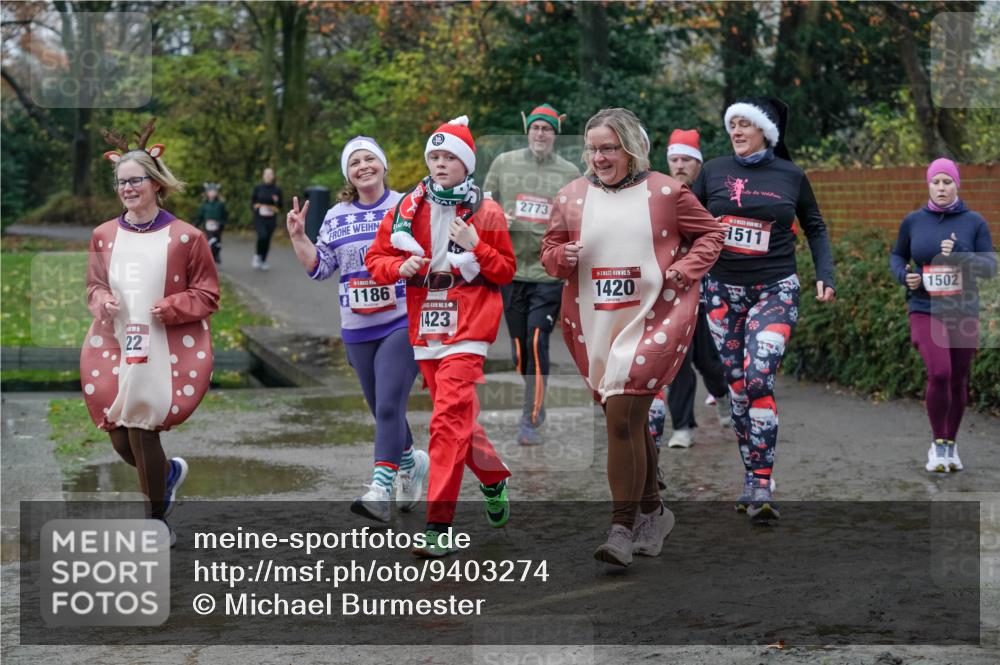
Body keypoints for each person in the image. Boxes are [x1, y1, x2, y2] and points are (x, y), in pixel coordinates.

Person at [541, 108, 725, 566]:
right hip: (595, 324)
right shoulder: (571, 196)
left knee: (621, 415)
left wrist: (683, 271)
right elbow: (548, 254)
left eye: (608, 148)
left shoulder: (666, 191)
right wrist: (564, 254)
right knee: (630, 418)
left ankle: (621, 527)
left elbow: (711, 235)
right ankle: (654, 512)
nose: (599, 157)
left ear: (630, 148)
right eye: (592, 148)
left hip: (655, 319)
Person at [366, 116, 515, 558]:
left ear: (467, 163)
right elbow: (378, 257)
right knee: (457, 421)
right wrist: (399, 267)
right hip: (425, 323)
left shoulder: (486, 212)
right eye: (435, 156)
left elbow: (505, 271)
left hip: (469, 324)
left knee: (446, 421)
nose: (441, 163)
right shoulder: (406, 209)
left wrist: (478, 244)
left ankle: (439, 526)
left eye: (450, 156)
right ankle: (493, 476)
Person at [692, 96, 836, 523]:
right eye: (731, 124)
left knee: (758, 378)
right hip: (721, 292)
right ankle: (753, 474)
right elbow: (683, 219)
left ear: (766, 132)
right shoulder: (713, 171)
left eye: (744, 124)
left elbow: (815, 225)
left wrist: (824, 272)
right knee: (737, 390)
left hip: (775, 289)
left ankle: (760, 478)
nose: (735, 131)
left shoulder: (790, 175)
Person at [83, 119, 219, 545]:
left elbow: (208, 294)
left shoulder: (186, 237)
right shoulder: (104, 235)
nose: (127, 189)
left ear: (156, 183)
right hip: (117, 344)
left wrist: (174, 306)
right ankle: (169, 475)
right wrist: (101, 299)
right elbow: (93, 284)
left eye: (135, 180)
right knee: (121, 438)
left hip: (163, 347)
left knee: (143, 429)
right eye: (121, 183)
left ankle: (156, 521)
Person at [285, 136, 427, 522]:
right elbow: (320, 268)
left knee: (387, 405)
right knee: (384, 410)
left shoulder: (406, 206)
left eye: (370, 159)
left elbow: (430, 255)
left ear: (383, 164)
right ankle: (411, 464)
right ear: (347, 173)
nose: (363, 166)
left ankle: (380, 488)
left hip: (401, 319)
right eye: (355, 163)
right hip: (357, 327)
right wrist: (299, 238)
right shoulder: (336, 215)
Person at [889, 158, 996, 472]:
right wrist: (902, 275)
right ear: (928, 184)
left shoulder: (974, 222)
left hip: (963, 310)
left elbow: (990, 267)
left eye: (947, 182)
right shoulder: (913, 222)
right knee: (940, 373)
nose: (941, 188)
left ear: (957, 185)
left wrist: (961, 252)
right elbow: (897, 254)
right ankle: (938, 445)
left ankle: (951, 445)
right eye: (936, 182)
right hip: (925, 308)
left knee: (960, 379)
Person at [482, 103, 581, 445]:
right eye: (536, 128)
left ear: (555, 134)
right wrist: (496, 218)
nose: (540, 134)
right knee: (519, 352)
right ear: (528, 131)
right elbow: (484, 204)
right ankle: (534, 397)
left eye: (547, 129)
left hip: (547, 274)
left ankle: (532, 418)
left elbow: (579, 218)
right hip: (510, 271)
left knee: (538, 344)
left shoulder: (569, 173)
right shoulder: (504, 164)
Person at [648, 129, 732, 450]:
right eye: (675, 159)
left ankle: (722, 395)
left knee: (708, 359)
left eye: (686, 159)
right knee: (678, 358)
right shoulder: (662, 192)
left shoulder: (713, 191)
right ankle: (683, 426)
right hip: (674, 288)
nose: (680, 165)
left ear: (698, 163)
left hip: (710, 286)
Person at [251, 167, 283, 271]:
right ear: (263, 176)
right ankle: (257, 256)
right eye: (266, 174)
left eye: (270, 174)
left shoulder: (277, 190)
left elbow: (280, 206)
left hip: (271, 219)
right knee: (262, 236)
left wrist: (276, 202)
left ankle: (263, 260)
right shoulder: (258, 188)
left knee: (267, 239)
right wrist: (256, 207)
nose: (268, 176)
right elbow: (252, 202)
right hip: (260, 218)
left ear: (273, 176)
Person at [194, 182, 228, 264]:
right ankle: (211, 259)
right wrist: (195, 225)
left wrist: (222, 224)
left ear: (217, 192)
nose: (212, 193)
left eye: (214, 191)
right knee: (211, 242)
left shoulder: (220, 204)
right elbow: (200, 217)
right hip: (208, 228)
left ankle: (216, 255)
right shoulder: (204, 205)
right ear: (207, 192)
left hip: (217, 227)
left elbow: (225, 215)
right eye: (210, 191)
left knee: (217, 243)